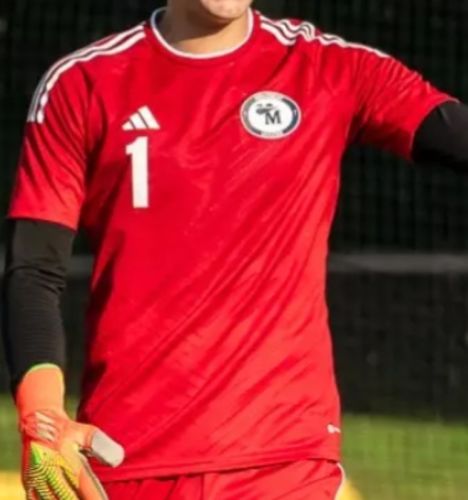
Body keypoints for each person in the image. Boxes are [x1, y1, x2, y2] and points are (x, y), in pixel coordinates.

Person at [3, 0, 468, 498]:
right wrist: (42, 417)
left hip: (284, 463)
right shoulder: (82, 83)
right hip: (124, 459)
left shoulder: (327, 67)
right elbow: (35, 270)